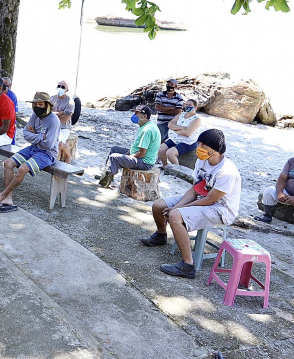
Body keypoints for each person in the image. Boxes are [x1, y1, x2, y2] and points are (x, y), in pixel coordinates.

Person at [141, 129, 241, 279]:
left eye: (203, 145)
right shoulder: (202, 161)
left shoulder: (227, 172)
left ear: (214, 150)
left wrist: (178, 209)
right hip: (202, 198)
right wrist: (176, 206)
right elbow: (195, 189)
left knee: (175, 215)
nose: (198, 147)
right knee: (158, 205)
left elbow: (210, 200)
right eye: (199, 143)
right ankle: (161, 235)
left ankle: (187, 265)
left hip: (220, 209)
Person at [0, 92, 60, 213]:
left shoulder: (54, 121)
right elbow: (25, 134)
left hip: (47, 153)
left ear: (47, 105)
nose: (37, 106)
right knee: (8, 163)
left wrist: (35, 135)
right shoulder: (35, 116)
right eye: (35, 104)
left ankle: (2, 196)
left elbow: (48, 144)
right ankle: (8, 199)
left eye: (40, 104)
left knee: (22, 169)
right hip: (33, 148)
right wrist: (41, 136)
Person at [97, 105, 161, 188]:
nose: (134, 115)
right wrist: (126, 155)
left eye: (137, 113)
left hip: (144, 162)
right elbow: (135, 148)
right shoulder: (145, 126)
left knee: (114, 157)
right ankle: (108, 174)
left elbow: (142, 153)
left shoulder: (147, 130)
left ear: (144, 116)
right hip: (139, 156)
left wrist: (129, 157)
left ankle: (104, 182)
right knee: (114, 149)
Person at [157, 99, 201, 166]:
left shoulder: (197, 119)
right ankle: (165, 165)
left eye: (190, 105)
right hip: (175, 138)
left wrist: (175, 129)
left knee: (170, 154)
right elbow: (170, 124)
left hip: (188, 142)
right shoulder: (181, 114)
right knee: (161, 149)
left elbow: (188, 133)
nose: (187, 106)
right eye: (186, 104)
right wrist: (183, 128)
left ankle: (177, 170)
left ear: (195, 107)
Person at [50, 80, 75, 163]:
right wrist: (61, 112)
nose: (60, 88)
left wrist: (53, 114)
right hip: (52, 125)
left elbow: (66, 119)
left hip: (64, 127)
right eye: (59, 86)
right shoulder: (51, 99)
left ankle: (68, 156)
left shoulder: (70, 102)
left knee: (60, 143)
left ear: (67, 90)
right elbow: (46, 114)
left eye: (63, 87)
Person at [154, 79, 184, 143]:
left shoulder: (179, 97)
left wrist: (163, 109)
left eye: (171, 84)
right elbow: (158, 107)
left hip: (173, 123)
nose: (169, 85)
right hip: (161, 122)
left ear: (175, 86)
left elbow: (178, 111)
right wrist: (172, 108)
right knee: (159, 140)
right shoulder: (160, 94)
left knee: (171, 141)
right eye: (168, 84)